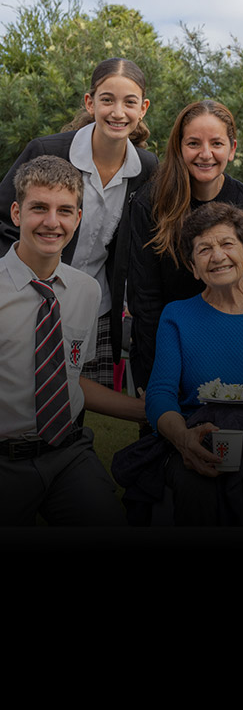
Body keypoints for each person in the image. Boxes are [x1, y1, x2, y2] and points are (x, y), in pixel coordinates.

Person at [113, 202, 243, 526]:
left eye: (227, 244)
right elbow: (160, 396)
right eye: (204, 249)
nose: (217, 256)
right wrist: (183, 438)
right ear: (193, 265)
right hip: (198, 440)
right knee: (197, 488)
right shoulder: (177, 315)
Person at [0, 155, 147, 526]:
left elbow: (67, 377)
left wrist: (148, 412)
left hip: (67, 452)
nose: (52, 222)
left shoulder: (86, 290)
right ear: (16, 213)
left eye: (65, 210)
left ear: (78, 218)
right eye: (39, 208)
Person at [0, 57, 158, 389]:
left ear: (142, 108)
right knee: (20, 395)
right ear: (90, 102)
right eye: (107, 100)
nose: (118, 112)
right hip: (33, 299)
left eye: (129, 102)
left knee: (76, 403)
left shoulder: (146, 168)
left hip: (96, 306)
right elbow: (4, 219)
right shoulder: (48, 150)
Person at [127, 99, 243, 393]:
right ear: (179, 147)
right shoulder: (151, 203)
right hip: (167, 345)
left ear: (232, 149)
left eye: (216, 143)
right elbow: (145, 298)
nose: (205, 154)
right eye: (194, 143)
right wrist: (164, 371)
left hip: (233, 345)